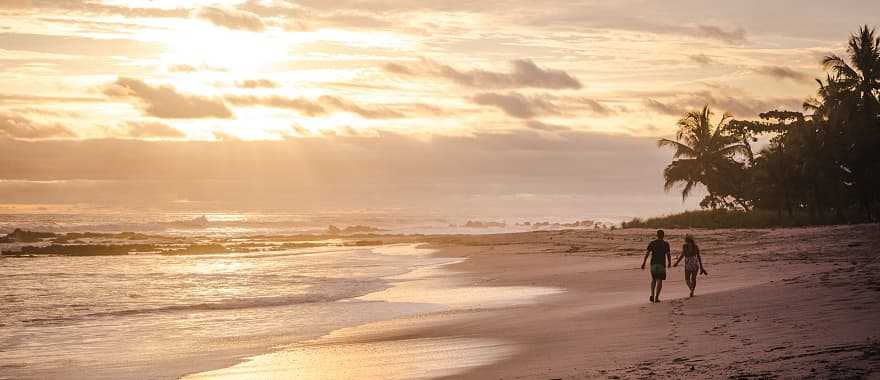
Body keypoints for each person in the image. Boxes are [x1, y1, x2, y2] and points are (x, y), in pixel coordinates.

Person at [641, 229, 671, 303]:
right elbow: (668, 254)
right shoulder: (666, 244)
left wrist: (644, 263)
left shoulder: (652, 243)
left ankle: (652, 294)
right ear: (663, 235)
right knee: (659, 280)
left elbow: (647, 253)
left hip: (653, 264)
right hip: (661, 264)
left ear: (657, 235)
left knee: (653, 279)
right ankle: (656, 297)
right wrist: (669, 262)